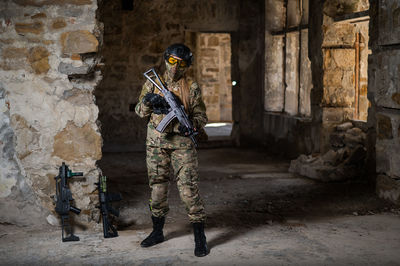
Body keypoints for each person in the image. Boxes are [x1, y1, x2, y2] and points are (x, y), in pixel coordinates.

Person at [135, 43, 209, 257]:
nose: (176, 67)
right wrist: (149, 102)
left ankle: (200, 236)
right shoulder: (152, 83)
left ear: (188, 65)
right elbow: (140, 112)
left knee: (188, 190)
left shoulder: (191, 86)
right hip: (156, 144)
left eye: (182, 63)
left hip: (182, 146)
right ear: (166, 59)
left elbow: (201, 116)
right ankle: (157, 231)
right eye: (172, 61)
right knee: (157, 189)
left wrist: (191, 125)